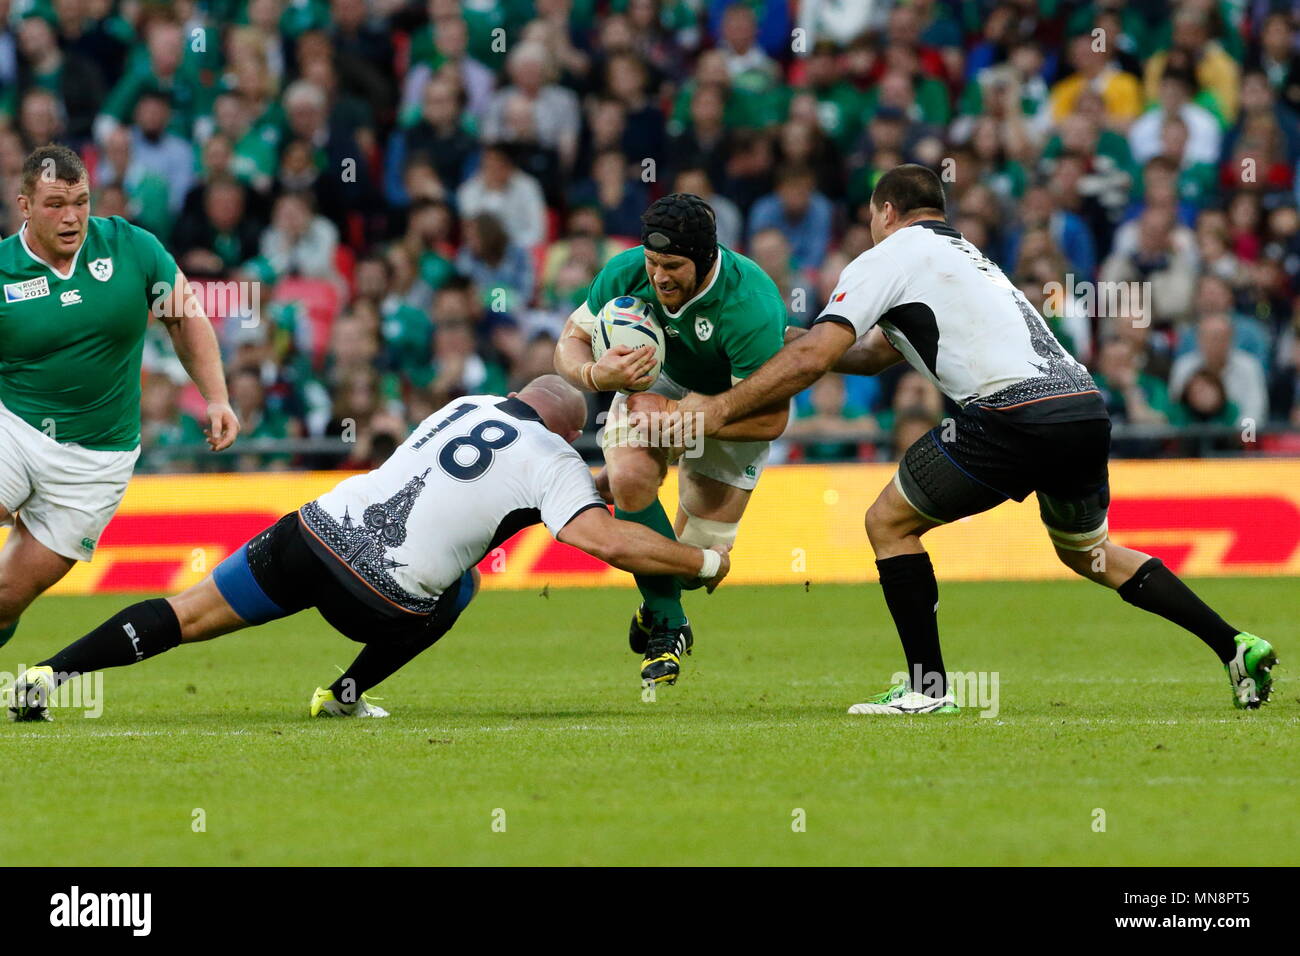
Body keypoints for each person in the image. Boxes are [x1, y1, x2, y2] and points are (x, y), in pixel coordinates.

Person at [674, 164, 1277, 714]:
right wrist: (779, 334)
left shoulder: (886, 258)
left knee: (888, 523)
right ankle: (1234, 645)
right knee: (1089, 553)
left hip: (1012, 415)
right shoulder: (969, 258)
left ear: (885, 212)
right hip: (1082, 408)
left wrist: (719, 407)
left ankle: (926, 689)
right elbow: (872, 355)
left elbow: (818, 358)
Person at [8, 376, 731, 722]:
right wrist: (702, 561)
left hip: (312, 533)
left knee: (186, 612)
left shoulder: (465, 405)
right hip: (378, 600)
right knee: (462, 587)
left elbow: (475, 480)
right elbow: (596, 536)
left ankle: (45, 675)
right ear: (569, 432)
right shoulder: (557, 465)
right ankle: (343, 696)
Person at [0, 144, 237, 651]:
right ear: (24, 206)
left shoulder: (131, 247)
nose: (72, 217)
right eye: (55, 204)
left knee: (6, 597)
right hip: (15, 428)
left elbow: (184, 317)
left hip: (96, 460)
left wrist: (217, 397)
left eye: (81, 202)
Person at [553, 193, 787, 686]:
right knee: (633, 476)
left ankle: (660, 597)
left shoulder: (752, 305)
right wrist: (594, 373)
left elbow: (771, 420)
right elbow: (569, 342)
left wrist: (686, 417)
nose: (659, 276)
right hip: (652, 386)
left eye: (673, 265)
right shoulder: (624, 270)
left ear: (704, 260)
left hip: (732, 406)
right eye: (653, 262)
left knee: (693, 570)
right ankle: (668, 624)